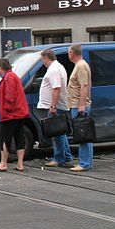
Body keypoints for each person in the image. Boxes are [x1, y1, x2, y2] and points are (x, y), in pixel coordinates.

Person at [36, 49, 73, 167]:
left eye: (43, 59)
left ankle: (59, 157)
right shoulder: (59, 67)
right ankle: (66, 155)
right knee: (60, 131)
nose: (43, 62)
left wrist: (53, 105)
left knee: (56, 132)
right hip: (58, 104)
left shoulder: (53, 70)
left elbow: (56, 88)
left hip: (55, 105)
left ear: (46, 58)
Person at [0, 58, 29, 172]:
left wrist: (6, 109)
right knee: (19, 137)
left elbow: (10, 95)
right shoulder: (14, 76)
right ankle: (20, 164)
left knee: (4, 138)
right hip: (20, 113)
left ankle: (3, 163)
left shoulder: (8, 78)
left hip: (10, 114)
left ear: (2, 68)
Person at [67, 44, 93, 172]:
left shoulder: (81, 66)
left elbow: (84, 86)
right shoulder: (80, 65)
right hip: (77, 104)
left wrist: (81, 105)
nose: (68, 55)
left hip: (79, 105)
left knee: (82, 133)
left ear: (72, 53)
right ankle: (86, 161)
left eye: (69, 52)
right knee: (84, 134)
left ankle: (84, 163)